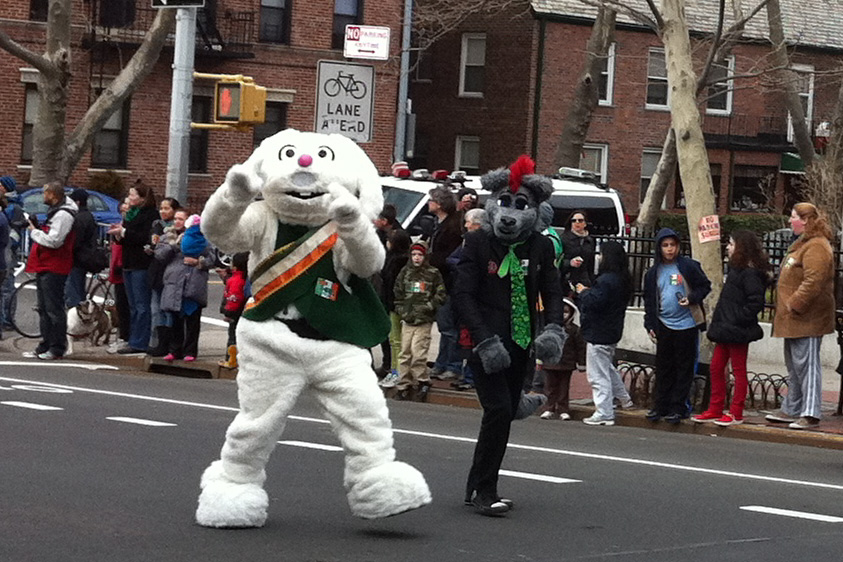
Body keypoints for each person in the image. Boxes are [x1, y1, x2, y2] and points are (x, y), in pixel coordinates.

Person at [454, 156, 566, 517]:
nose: (510, 214)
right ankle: (484, 490)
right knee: (500, 408)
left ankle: (479, 485)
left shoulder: (540, 246)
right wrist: (484, 340)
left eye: (520, 207)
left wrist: (552, 327)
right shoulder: (478, 244)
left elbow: (552, 291)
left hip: (520, 341)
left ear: (535, 211)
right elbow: (463, 295)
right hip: (486, 343)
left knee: (503, 415)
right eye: (504, 203)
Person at [766, 203, 835, 430]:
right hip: (795, 319)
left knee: (808, 366)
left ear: (806, 220)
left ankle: (811, 412)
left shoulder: (816, 247)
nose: (789, 221)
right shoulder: (803, 244)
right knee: (795, 367)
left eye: (793, 217)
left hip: (808, 318)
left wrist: (795, 304)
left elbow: (813, 281)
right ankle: (792, 408)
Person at [693, 230, 770, 427]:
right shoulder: (736, 269)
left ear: (741, 247)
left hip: (736, 329)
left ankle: (736, 412)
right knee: (716, 367)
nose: (728, 247)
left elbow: (755, 302)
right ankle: (715, 408)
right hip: (725, 327)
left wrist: (738, 319)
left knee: (738, 370)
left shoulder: (750, 273)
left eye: (731, 243)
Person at [643, 228, 711, 424]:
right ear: (659, 248)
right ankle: (660, 405)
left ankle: (678, 407)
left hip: (687, 324)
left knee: (684, 367)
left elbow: (704, 286)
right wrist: (650, 323)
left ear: (678, 247)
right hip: (664, 324)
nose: (669, 249)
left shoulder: (688, 266)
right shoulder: (653, 273)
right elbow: (649, 300)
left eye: (673, 245)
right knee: (664, 367)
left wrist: (691, 298)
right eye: (665, 246)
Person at [577, 240, 634, 426]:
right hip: (612, 330)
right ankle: (624, 399)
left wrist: (583, 292)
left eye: (601, 255)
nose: (599, 258)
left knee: (597, 374)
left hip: (598, 331)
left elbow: (596, 302)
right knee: (606, 366)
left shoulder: (605, 280)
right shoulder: (623, 279)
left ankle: (604, 412)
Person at [23, 181, 78, 360]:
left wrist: (34, 232)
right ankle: (45, 343)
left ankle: (56, 346)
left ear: (52, 195)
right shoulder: (57, 212)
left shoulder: (63, 215)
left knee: (53, 308)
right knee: (44, 308)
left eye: (44, 193)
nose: (43, 197)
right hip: (46, 264)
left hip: (55, 265)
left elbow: (55, 240)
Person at [388, 240, 447, 401]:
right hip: (408, 319)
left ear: (425, 256)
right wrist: (402, 309)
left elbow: (440, 293)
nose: (416, 258)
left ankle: (421, 379)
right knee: (404, 352)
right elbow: (398, 292)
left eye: (420, 255)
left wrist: (429, 306)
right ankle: (403, 383)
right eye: (414, 254)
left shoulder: (433, 273)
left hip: (423, 320)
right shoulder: (405, 272)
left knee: (418, 351)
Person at [108, 181, 157, 354]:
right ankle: (132, 338)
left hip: (141, 263)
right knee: (133, 305)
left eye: (133, 195)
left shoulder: (150, 215)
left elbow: (144, 237)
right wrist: (119, 235)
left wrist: (123, 233)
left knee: (142, 304)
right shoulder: (131, 215)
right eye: (129, 194)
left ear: (143, 198)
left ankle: (140, 342)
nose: (129, 198)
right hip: (128, 262)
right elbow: (127, 236)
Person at [158, 214, 212, 362]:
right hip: (174, 283)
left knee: (192, 321)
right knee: (175, 319)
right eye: (175, 219)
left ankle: (190, 351)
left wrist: (198, 262)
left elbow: (213, 258)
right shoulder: (168, 236)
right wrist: (174, 245)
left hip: (193, 283)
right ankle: (174, 350)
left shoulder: (202, 238)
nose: (177, 222)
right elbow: (160, 255)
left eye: (181, 219)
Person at [448, 207, 488, 390]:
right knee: (463, 338)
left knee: (475, 338)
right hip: (461, 292)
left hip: (478, 297)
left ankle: (472, 377)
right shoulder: (466, 242)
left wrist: (464, 265)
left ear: (477, 224)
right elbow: (452, 259)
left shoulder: (484, 242)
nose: (465, 225)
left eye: (468, 222)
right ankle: (465, 373)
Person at [427, 185, 464, 381]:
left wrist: (431, 259)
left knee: (450, 327)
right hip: (440, 282)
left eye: (431, 200)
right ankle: (441, 363)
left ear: (440, 204)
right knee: (444, 326)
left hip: (449, 283)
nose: (428, 203)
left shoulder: (452, 228)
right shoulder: (439, 224)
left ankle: (453, 365)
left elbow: (449, 257)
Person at [538, 298, 586, 421]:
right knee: (550, 387)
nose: (563, 315)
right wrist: (539, 359)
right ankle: (549, 408)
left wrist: (581, 363)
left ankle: (563, 409)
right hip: (550, 363)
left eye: (566, 312)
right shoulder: (549, 328)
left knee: (564, 388)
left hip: (567, 364)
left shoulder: (574, 330)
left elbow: (580, 348)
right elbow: (542, 344)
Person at [377, 228, 411, 386]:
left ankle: (398, 371)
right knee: (393, 339)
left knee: (397, 340)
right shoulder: (392, 258)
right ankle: (394, 369)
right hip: (389, 302)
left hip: (396, 304)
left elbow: (393, 284)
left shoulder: (399, 262)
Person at [147, 196, 180, 356]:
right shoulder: (156, 225)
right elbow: (154, 244)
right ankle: (156, 343)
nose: (163, 211)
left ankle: (168, 344)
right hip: (156, 271)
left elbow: (171, 251)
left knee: (167, 310)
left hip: (171, 275)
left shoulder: (177, 229)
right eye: (161, 208)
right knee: (155, 310)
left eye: (167, 208)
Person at [65, 188, 98, 309]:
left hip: (77, 258)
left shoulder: (79, 218)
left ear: (77, 202)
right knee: (78, 288)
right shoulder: (87, 216)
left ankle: (76, 318)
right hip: (84, 257)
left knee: (74, 291)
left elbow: (76, 240)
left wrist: (68, 250)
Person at [0, 176, 26, 331]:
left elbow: (14, 232)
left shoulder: (14, 208)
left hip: (8, 250)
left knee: (7, 286)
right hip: (5, 249)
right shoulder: (8, 206)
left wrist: (10, 245)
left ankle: (9, 319)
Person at [218, 252, 249, 369]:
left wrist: (228, 313)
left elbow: (233, 298)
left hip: (234, 312)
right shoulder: (245, 277)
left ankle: (231, 359)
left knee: (233, 336)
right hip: (242, 310)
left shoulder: (236, 280)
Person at [560, 209, 596, 295]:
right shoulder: (564, 239)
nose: (577, 223)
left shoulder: (589, 241)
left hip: (584, 280)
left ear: (585, 224)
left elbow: (591, 264)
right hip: (567, 279)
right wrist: (570, 263)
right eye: (574, 220)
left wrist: (591, 281)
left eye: (580, 220)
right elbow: (558, 261)